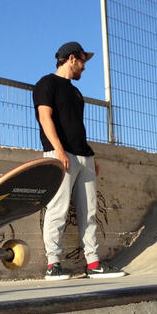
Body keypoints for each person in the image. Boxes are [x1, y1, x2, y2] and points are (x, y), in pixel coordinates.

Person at [33, 41, 127, 280]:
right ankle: (53, 264)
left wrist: (89, 154)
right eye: (83, 61)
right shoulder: (46, 84)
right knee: (58, 209)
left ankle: (93, 264)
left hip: (83, 156)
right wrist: (59, 150)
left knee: (89, 212)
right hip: (59, 155)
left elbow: (77, 127)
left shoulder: (75, 92)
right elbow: (45, 119)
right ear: (72, 58)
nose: (84, 68)